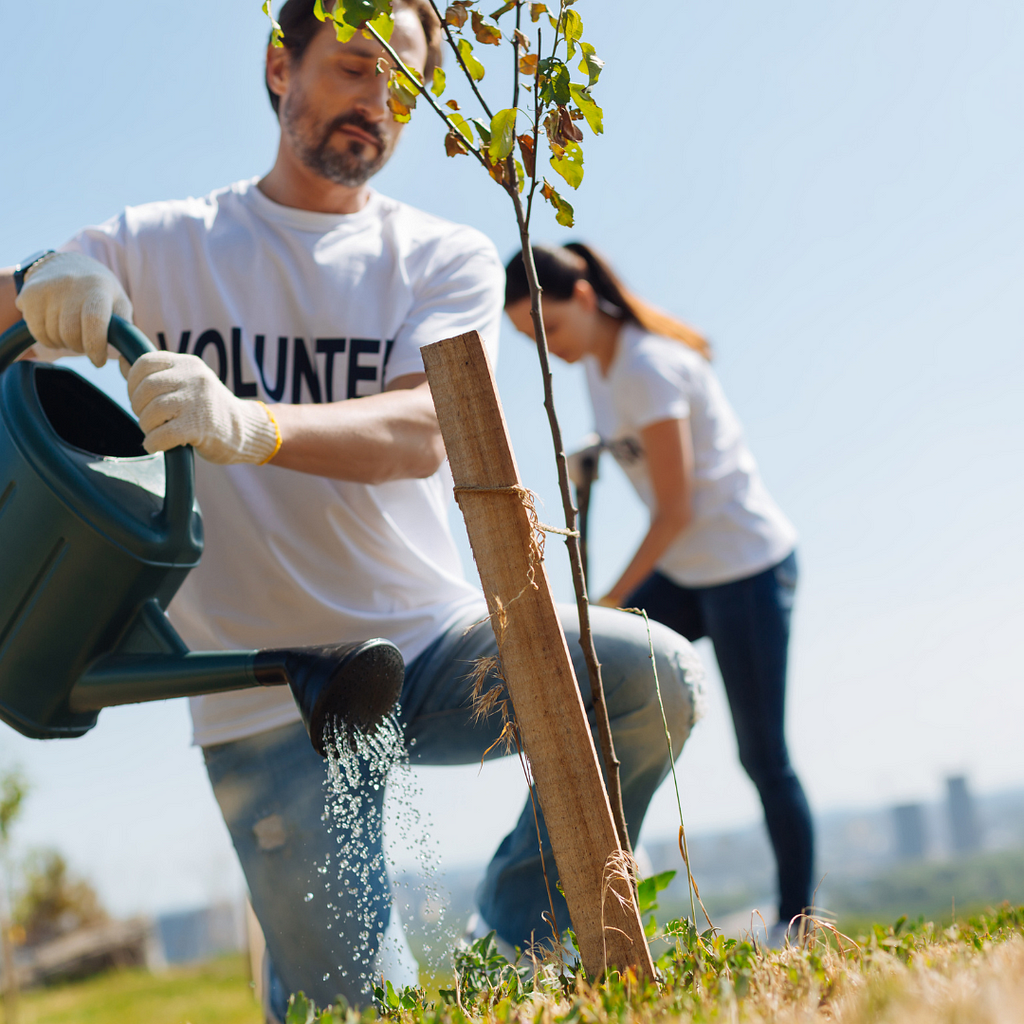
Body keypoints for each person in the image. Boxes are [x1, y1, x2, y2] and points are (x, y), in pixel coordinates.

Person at [0, 6, 703, 1018]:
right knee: (347, 1008)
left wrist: (251, 424)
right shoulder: (158, 246)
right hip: (263, 687)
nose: (377, 102)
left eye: (403, 87)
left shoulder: (440, 257)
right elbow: (21, 328)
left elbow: (433, 426)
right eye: (354, 67)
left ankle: (517, 927)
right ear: (281, 67)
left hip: (430, 648)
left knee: (656, 681)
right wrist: (40, 281)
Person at [505, 243, 814, 943]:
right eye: (530, 340)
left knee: (763, 756)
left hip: (745, 568)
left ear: (583, 298)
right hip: (689, 568)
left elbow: (675, 509)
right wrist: (597, 451)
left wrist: (607, 601)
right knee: (602, 684)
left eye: (548, 328)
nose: (546, 350)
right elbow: (641, 444)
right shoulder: (601, 366)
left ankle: (798, 923)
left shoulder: (648, 366)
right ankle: (603, 879)